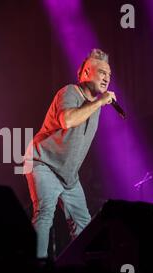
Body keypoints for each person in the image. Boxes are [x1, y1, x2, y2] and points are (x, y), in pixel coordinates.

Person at [24, 49, 116, 260]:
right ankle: (35, 270)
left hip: (68, 176)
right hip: (42, 163)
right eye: (101, 72)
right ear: (85, 73)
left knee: (84, 225)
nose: (106, 78)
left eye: (109, 75)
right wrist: (100, 102)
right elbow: (67, 121)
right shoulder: (69, 92)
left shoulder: (96, 106)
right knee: (45, 213)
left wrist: (98, 104)